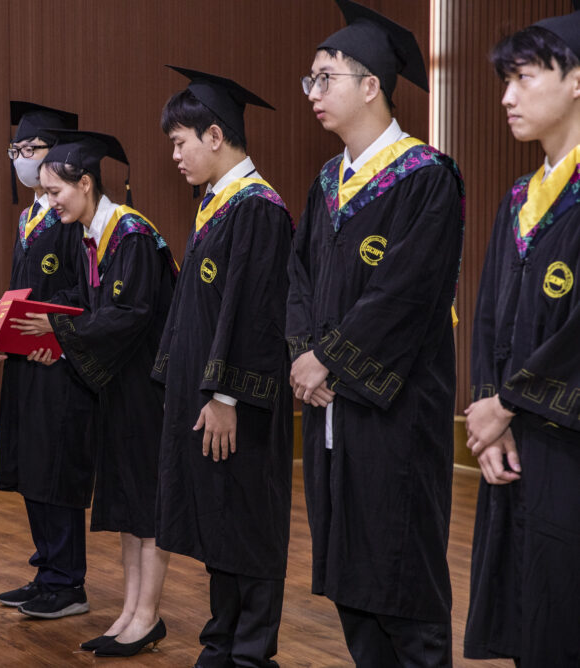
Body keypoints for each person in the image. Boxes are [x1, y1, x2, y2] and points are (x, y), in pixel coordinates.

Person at [285, 2, 465, 666]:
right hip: (332, 408)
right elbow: (298, 278)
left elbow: (405, 295)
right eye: (309, 79)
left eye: (324, 77)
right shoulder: (328, 181)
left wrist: (328, 360)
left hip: (396, 412)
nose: (312, 91)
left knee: (401, 574)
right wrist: (303, 355)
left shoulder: (427, 177)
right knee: (350, 575)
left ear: (370, 86)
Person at [12, 130, 177, 657]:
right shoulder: (94, 237)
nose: (50, 202)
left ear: (85, 183)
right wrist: (44, 329)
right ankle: (130, 611)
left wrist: (58, 332)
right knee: (128, 503)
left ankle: (147, 616)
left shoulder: (132, 235)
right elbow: (84, 304)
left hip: (148, 389)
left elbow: (127, 316)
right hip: (120, 389)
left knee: (145, 505)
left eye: (55, 191)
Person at [154, 66, 293, 668]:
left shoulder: (258, 209)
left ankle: (250, 651)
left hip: (241, 405)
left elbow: (257, 313)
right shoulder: (216, 204)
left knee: (249, 522)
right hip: (207, 398)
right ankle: (221, 642)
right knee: (220, 520)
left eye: (179, 142)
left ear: (214, 136)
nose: (175, 156)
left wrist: (226, 396)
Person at [464, 11, 580, 666]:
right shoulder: (522, 197)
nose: (507, 97)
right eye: (504, 81)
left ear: (576, 81)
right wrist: (490, 417)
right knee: (526, 613)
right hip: (513, 443)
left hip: (568, 443)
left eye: (524, 78)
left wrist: (508, 403)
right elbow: (489, 317)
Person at [0, 102, 98, 619]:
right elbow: (24, 285)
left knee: (55, 465)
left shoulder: (74, 217)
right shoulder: (29, 217)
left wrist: (59, 335)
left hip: (59, 360)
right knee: (29, 462)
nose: (22, 158)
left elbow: (82, 291)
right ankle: (47, 569)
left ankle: (68, 581)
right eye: (17, 150)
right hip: (25, 356)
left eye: (32, 149)